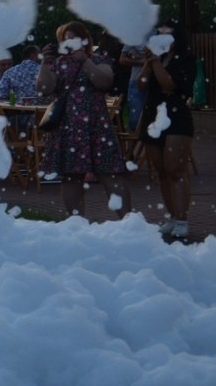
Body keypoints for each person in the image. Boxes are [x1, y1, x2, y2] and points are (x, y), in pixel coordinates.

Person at [36, 21, 132, 220]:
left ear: (85, 40)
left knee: (110, 172)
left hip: (96, 125)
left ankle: (128, 221)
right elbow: (44, 88)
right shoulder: (58, 64)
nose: (69, 42)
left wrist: (84, 61)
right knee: (71, 176)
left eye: (73, 38)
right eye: (65, 39)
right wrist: (45, 63)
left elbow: (104, 81)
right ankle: (76, 223)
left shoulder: (98, 59)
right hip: (68, 126)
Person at [135, 22, 196, 239]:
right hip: (154, 116)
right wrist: (149, 63)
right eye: (158, 33)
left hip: (176, 116)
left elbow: (169, 85)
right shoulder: (155, 59)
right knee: (161, 171)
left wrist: (157, 63)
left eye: (167, 32)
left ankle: (182, 218)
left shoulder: (185, 59)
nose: (161, 36)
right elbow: (141, 84)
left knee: (175, 170)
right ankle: (171, 216)